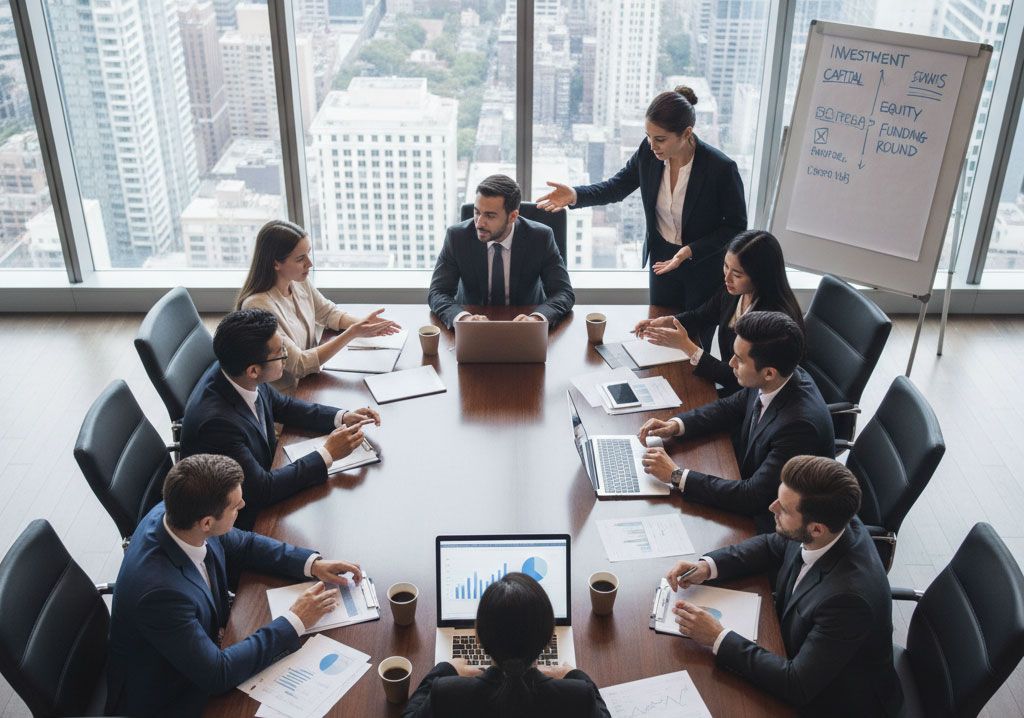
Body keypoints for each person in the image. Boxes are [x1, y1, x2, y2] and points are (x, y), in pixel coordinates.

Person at [106, 454, 364, 717]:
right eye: (236, 507)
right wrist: (296, 620)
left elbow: (244, 544)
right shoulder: (159, 594)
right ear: (207, 522)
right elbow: (218, 674)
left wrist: (312, 564)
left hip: (204, 646)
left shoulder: (178, 515)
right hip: (172, 695)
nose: (244, 504)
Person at [664, 455, 903, 716]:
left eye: (784, 509)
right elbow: (772, 545)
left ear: (816, 530)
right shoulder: (833, 523)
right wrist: (707, 567)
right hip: (797, 649)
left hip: (837, 702)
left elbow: (796, 684)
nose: (772, 507)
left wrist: (717, 637)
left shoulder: (849, 600)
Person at [537, 86, 746, 309]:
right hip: (661, 260)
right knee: (656, 329)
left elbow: (736, 227)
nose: (651, 145)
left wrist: (690, 250)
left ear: (686, 134)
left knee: (694, 338)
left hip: (702, 264)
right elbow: (616, 187)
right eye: (648, 136)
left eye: (660, 139)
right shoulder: (649, 154)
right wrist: (575, 195)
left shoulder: (720, 168)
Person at [180, 308, 380, 530]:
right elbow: (262, 490)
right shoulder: (217, 425)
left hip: (263, 475)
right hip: (237, 520)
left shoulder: (239, 374)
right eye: (280, 352)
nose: (286, 355)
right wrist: (328, 453)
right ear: (254, 371)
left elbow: (283, 406)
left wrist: (341, 417)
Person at [639, 311, 833, 533]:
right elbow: (730, 407)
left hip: (773, 524)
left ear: (769, 373)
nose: (731, 363)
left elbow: (752, 497)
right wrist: (676, 425)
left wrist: (677, 475)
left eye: (739, 360)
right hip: (745, 477)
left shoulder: (799, 428)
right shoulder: (777, 377)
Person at [404, 573, 610, 718]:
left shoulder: (446, 694)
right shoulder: (578, 697)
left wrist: (445, 669)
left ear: (479, 639)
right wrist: (574, 674)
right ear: (548, 639)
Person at [238, 219, 400, 393]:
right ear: (276, 263)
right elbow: (299, 364)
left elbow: (328, 313)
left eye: (308, 253)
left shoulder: (298, 281)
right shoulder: (258, 306)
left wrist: (364, 324)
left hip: (313, 378)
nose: (310, 263)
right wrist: (353, 332)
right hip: (290, 394)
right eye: (300, 258)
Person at [634, 230, 804, 395]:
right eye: (725, 266)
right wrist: (667, 321)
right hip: (730, 391)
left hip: (744, 400)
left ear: (761, 276)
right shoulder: (735, 292)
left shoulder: (772, 321)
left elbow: (737, 378)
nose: (727, 278)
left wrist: (687, 347)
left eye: (737, 274)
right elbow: (700, 316)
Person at [428, 174, 575, 328]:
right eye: (477, 212)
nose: (479, 223)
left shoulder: (540, 238)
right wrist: (463, 319)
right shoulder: (457, 237)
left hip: (524, 329)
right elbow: (437, 292)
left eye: (490, 216)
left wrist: (537, 319)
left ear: (513, 216)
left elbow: (563, 293)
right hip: (473, 329)